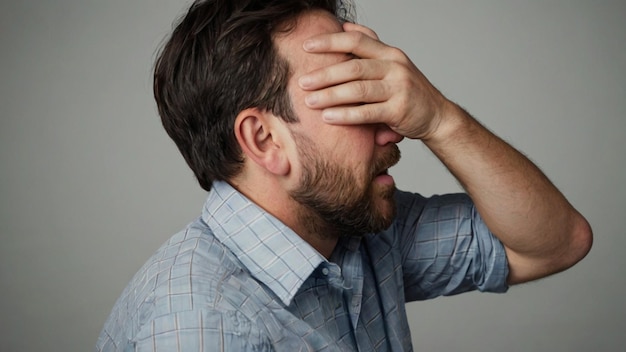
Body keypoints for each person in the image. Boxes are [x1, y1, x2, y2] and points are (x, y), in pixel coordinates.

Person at [96, 0, 592, 350]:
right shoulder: (206, 327)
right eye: (356, 98)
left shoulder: (353, 230)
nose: (396, 127)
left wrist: (440, 118)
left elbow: (556, 242)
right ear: (266, 141)